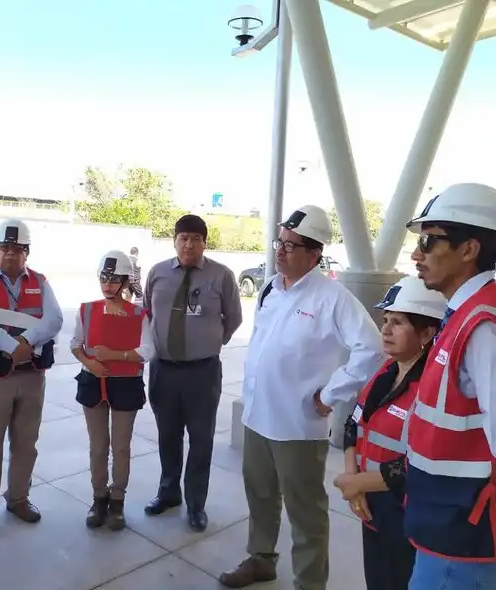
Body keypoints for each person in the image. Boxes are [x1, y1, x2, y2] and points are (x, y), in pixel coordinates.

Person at [219, 205, 385, 590]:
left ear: (314, 253)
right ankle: (261, 558)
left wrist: (331, 394)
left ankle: (309, 583)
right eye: (280, 241)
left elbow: (372, 348)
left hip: (297, 425)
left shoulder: (332, 297)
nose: (280, 250)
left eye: (291, 245)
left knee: (305, 510)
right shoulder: (270, 288)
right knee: (260, 494)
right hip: (257, 416)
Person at [403, 183, 496, 589]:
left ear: (468, 249)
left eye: (429, 241)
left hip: (461, 531)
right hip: (446, 516)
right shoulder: (468, 312)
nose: (416, 254)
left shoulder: (483, 325)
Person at [331, 276, 447, 590]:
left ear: (427, 333)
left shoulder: (435, 389)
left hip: (407, 518)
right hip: (372, 508)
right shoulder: (385, 371)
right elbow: (353, 425)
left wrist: (357, 483)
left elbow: (423, 463)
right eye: (385, 320)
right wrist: (353, 478)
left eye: (397, 322)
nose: (385, 329)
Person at [0, 218, 63, 539]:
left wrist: (25, 342)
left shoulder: (40, 282)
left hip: (31, 375)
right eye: (4, 247)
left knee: (26, 444)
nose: (10, 253)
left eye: (17, 248)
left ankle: (18, 498)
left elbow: (54, 318)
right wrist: (10, 346)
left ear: (26, 252)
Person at [143, 214, 243, 531]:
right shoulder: (157, 273)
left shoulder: (221, 275)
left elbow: (234, 318)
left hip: (202, 373)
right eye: (183, 238)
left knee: (201, 440)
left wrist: (211, 341)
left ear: (204, 243)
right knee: (167, 436)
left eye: (195, 239)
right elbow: (148, 312)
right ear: (174, 241)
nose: (189, 244)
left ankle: (196, 504)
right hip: (163, 369)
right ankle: (168, 492)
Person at [70, 250, 156, 530]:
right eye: (104, 278)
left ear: (125, 281)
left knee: (120, 447)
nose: (108, 285)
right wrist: (89, 364)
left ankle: (117, 499)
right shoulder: (87, 310)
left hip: (125, 385)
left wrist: (115, 355)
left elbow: (147, 351)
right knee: (98, 447)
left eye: (114, 279)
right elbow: (75, 343)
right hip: (93, 383)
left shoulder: (139, 314)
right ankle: (99, 498)